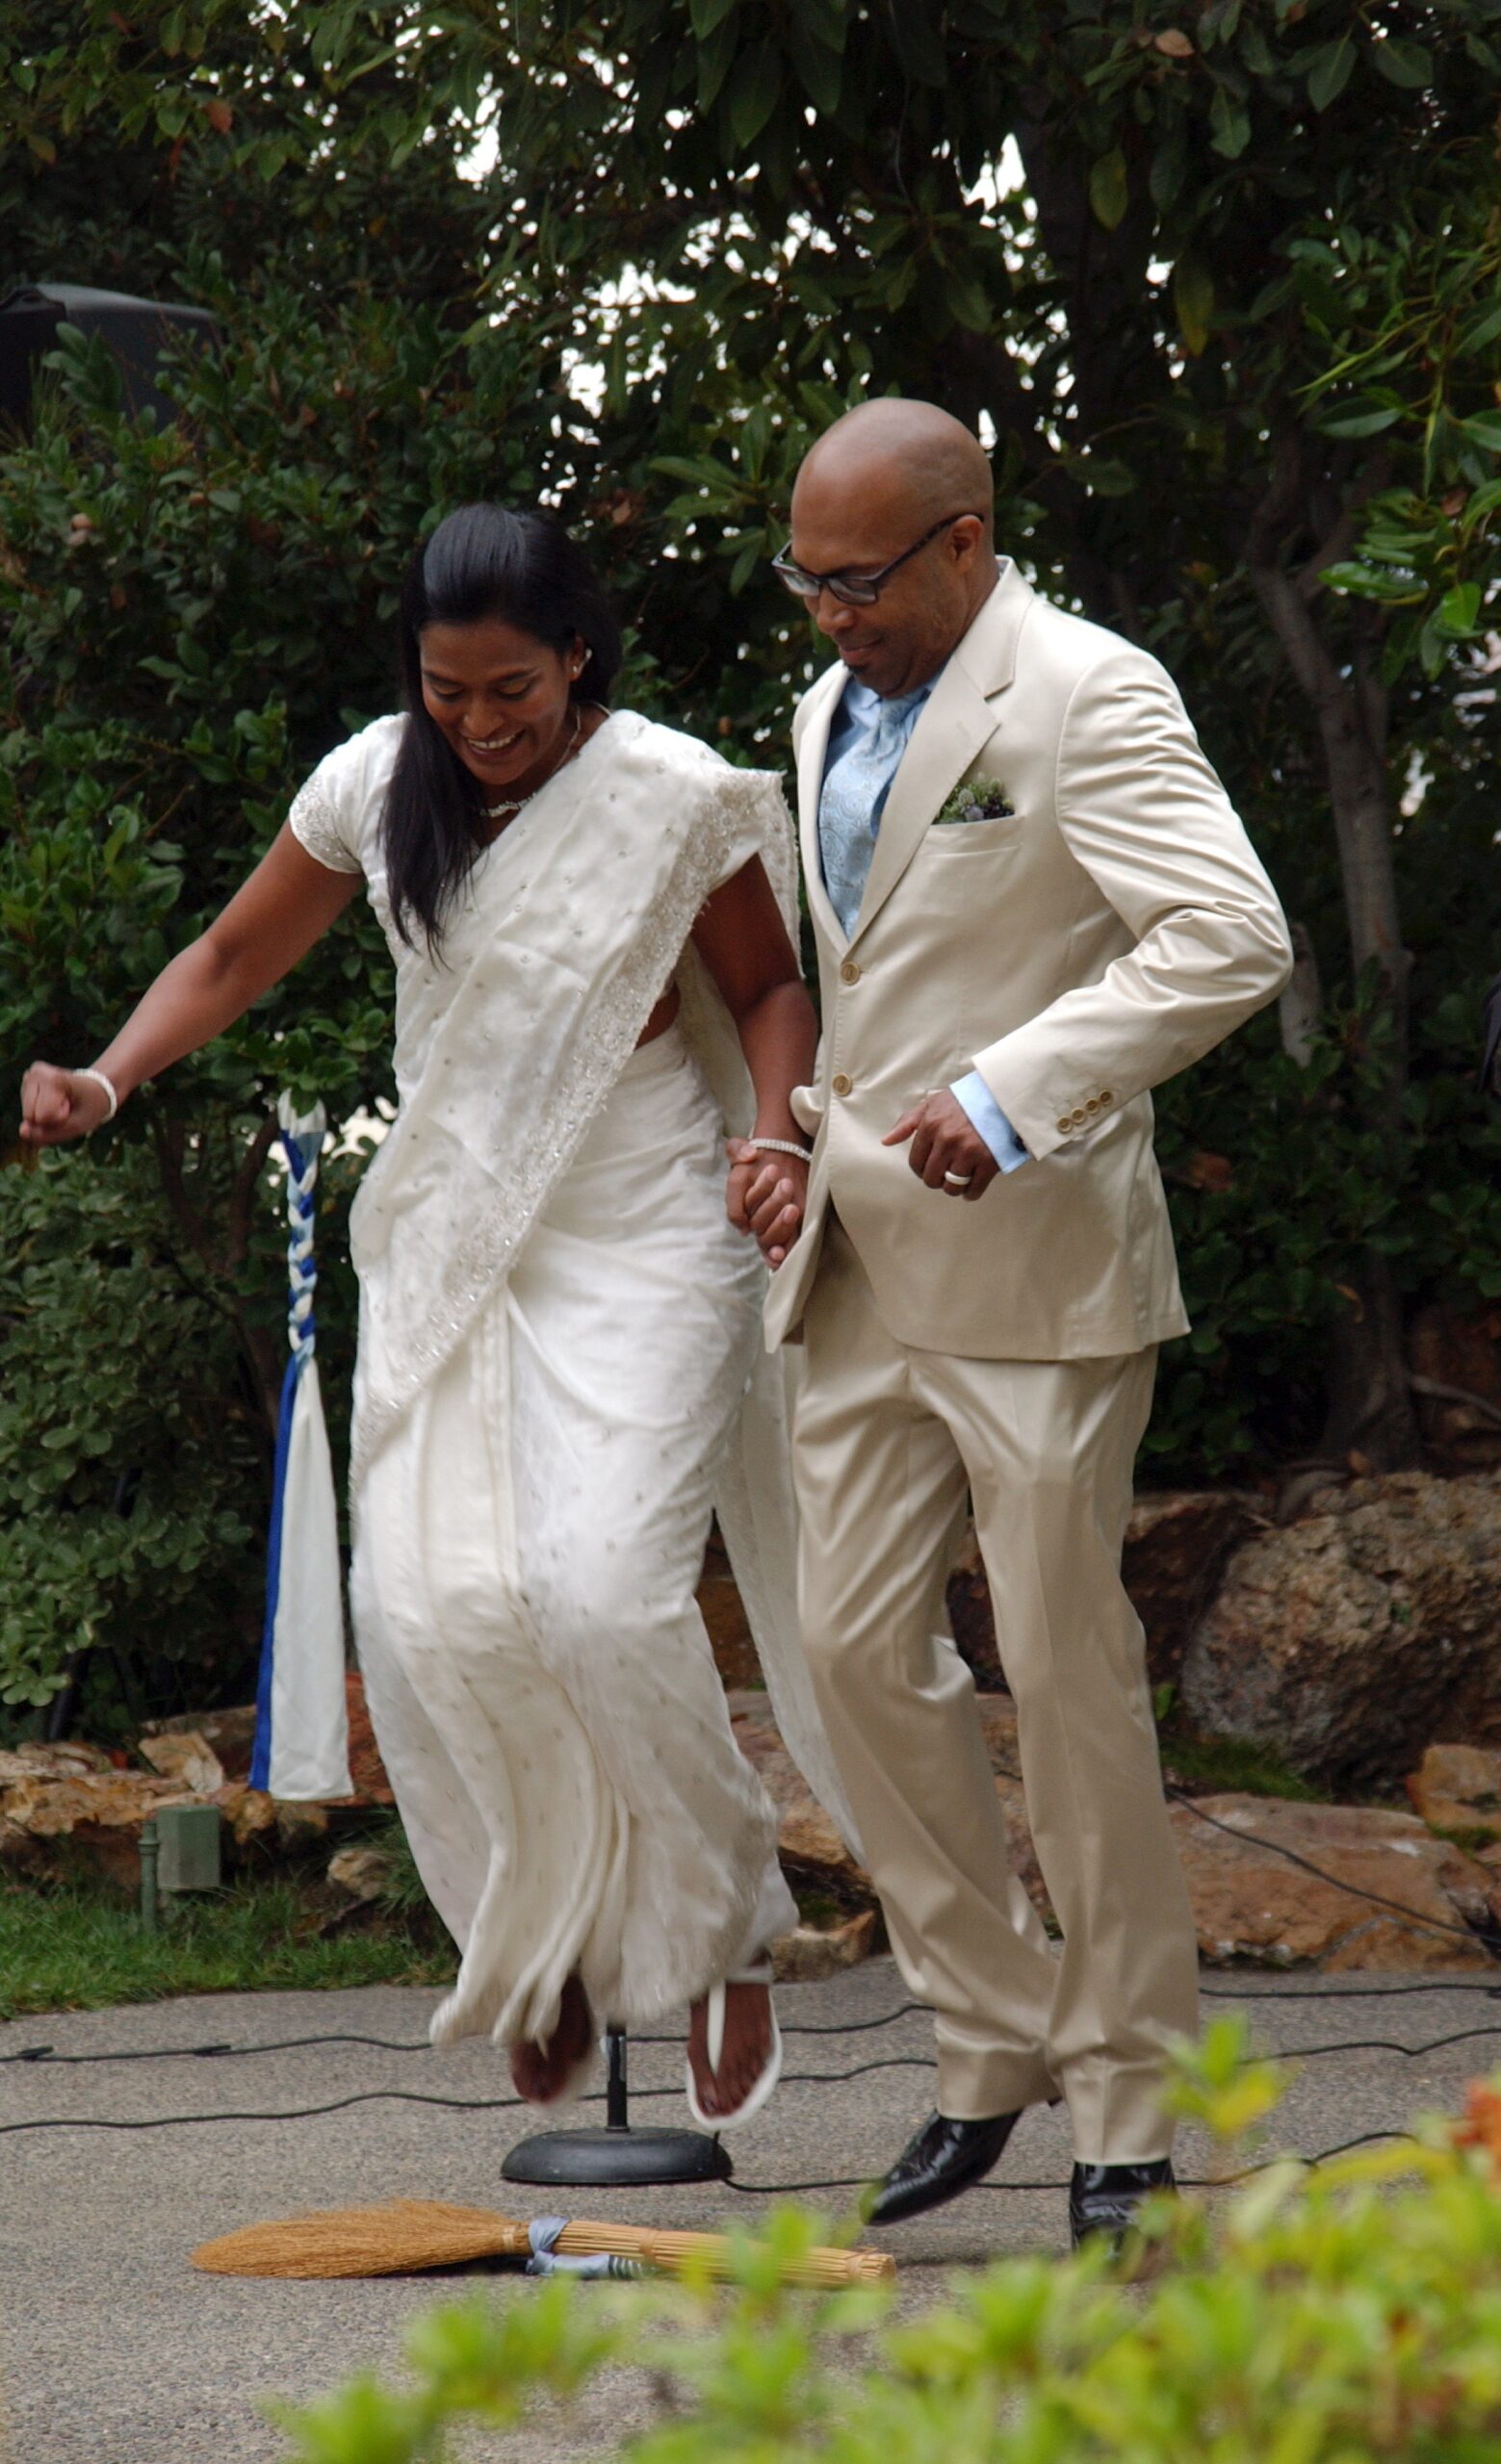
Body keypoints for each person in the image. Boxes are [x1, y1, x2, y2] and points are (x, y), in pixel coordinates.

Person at [20, 502, 850, 2129]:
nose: (479, 726)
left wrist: (777, 1134)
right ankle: (534, 1947)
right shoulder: (369, 783)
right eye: (448, 691)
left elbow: (766, 989)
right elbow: (235, 951)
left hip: (642, 1219)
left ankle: (724, 1924)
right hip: (453, 1222)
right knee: (429, 1610)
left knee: (602, 1592)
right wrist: (107, 1079)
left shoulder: (672, 795)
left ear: (578, 660)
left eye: (513, 694)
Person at [757, 398, 1293, 2246]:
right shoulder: (828, 709)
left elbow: (1228, 935)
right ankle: (986, 2037)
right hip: (855, 1260)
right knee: (840, 1653)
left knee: (1067, 1682)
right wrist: (787, 1141)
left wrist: (1009, 1094)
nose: (830, 618)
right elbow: (852, 966)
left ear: (967, 541)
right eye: (805, 583)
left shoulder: (1088, 693)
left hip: (1039, 1264)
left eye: (859, 581)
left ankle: (1127, 2108)